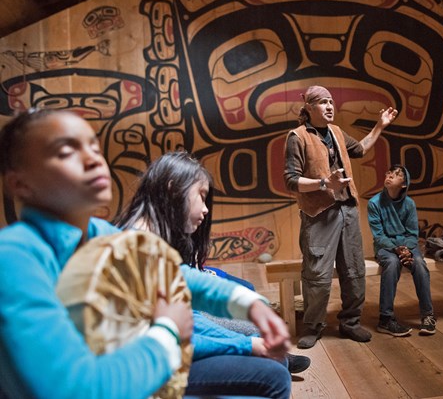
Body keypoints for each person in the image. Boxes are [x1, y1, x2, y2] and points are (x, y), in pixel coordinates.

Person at [0, 109, 290, 399]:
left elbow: (168, 272)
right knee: (269, 378)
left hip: (135, 370)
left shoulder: (98, 232)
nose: (93, 159)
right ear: (20, 184)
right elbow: (72, 389)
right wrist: (168, 330)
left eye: (94, 147)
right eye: (66, 151)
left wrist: (250, 304)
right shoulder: (14, 259)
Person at [115, 150, 310, 373]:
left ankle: (274, 355)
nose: (206, 209)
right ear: (173, 188)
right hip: (151, 359)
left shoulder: (157, 237)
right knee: (271, 373)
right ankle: (275, 358)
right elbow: (178, 330)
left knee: (249, 315)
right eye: (201, 195)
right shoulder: (137, 245)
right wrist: (246, 345)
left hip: (180, 325)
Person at [284, 85, 398, 349]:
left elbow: (359, 150)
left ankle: (350, 322)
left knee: (354, 270)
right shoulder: (297, 136)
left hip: (347, 210)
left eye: (331, 102)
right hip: (319, 214)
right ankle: (313, 326)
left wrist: (379, 126)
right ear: (309, 108)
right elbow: (291, 181)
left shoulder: (336, 132)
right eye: (323, 102)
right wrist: (324, 183)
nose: (329, 106)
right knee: (317, 275)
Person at [367, 164, 437, 337]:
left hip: (407, 246)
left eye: (396, 175)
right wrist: (397, 249)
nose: (390, 175)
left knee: (420, 264)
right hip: (386, 247)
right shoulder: (374, 203)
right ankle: (385, 319)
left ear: (404, 184)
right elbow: (379, 236)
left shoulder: (409, 204)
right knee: (391, 263)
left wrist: (406, 249)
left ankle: (427, 316)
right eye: (389, 172)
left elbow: (413, 233)